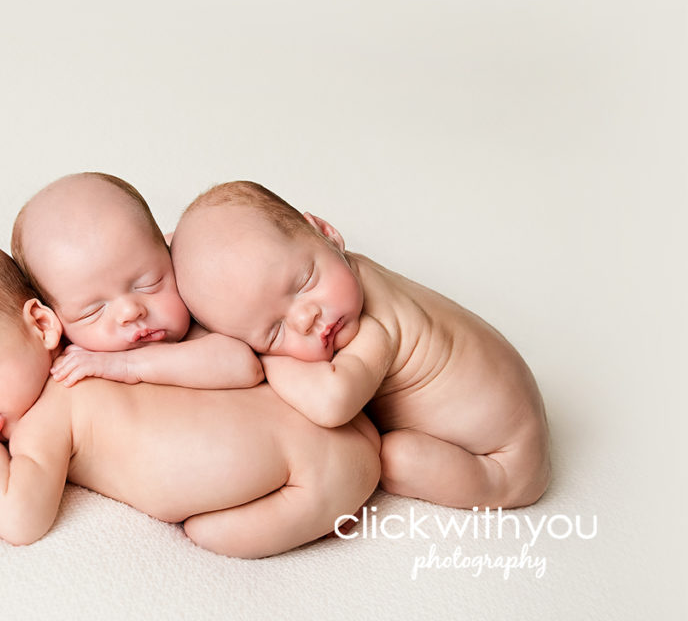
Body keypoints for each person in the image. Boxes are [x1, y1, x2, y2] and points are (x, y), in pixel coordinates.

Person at [0, 239, 381, 559]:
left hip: (313, 483)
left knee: (209, 534)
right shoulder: (105, 346)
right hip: (342, 424)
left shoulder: (45, 422)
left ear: (40, 324)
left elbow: (21, 520)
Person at [170, 181, 550, 510]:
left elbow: (332, 404)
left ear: (325, 231)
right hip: (511, 408)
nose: (306, 318)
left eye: (304, 282)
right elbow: (232, 273)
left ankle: (499, 488)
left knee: (395, 458)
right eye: (274, 331)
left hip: (505, 461)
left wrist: (258, 355)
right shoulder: (343, 269)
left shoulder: (374, 327)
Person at [11, 172, 263, 389]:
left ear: (170, 254)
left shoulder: (199, 322)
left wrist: (127, 365)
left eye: (148, 284)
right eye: (93, 310)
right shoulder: (69, 362)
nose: (130, 312)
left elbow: (244, 365)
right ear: (50, 322)